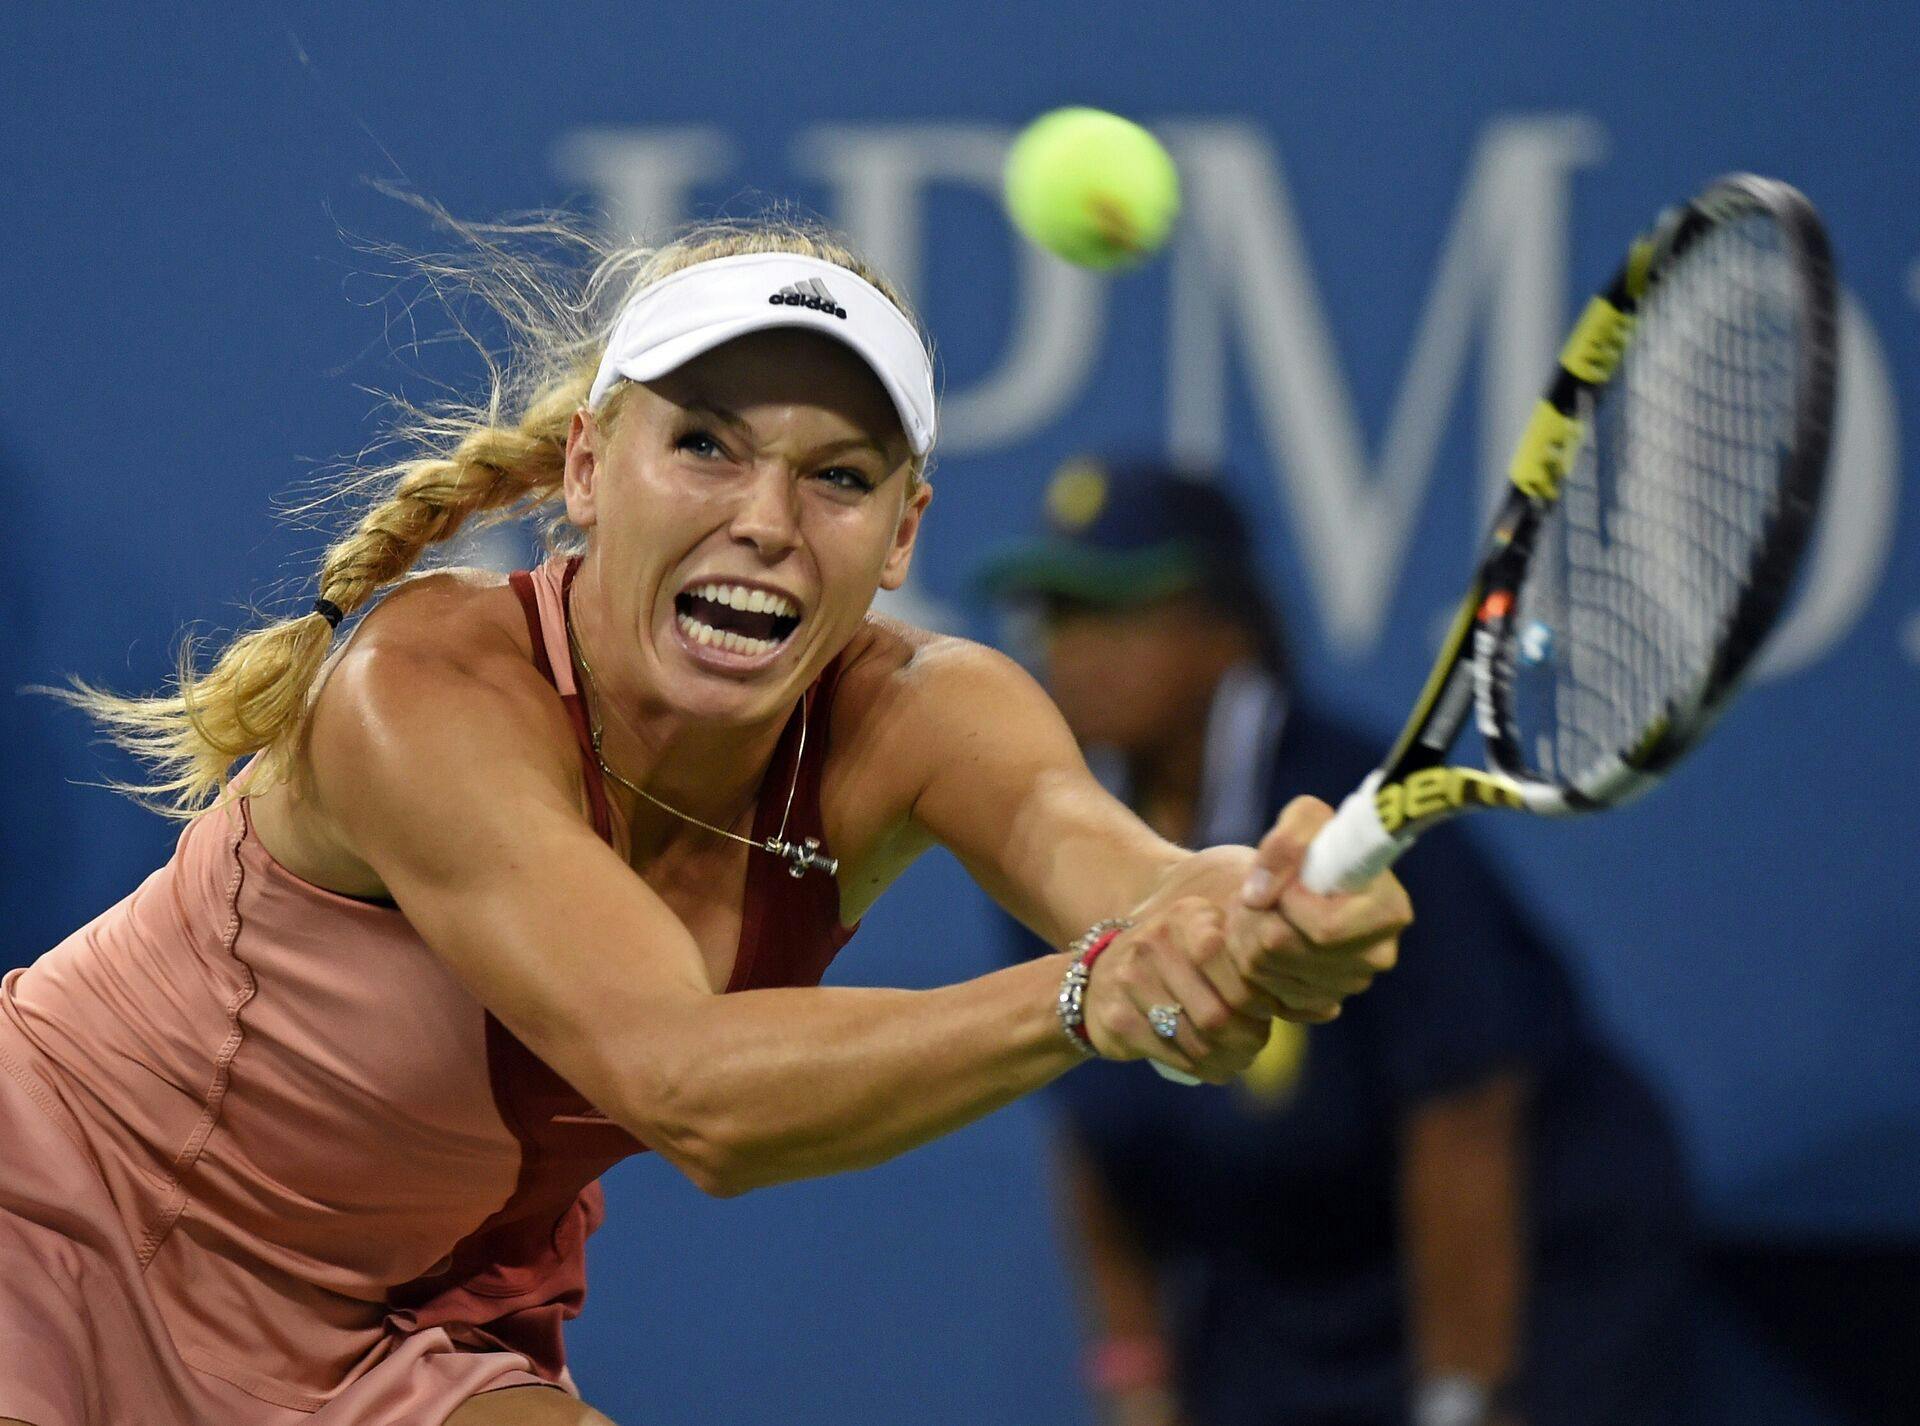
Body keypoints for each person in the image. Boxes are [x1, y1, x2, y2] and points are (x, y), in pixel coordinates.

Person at [0, 220, 1411, 1426]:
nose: (768, 520)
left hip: (384, 1326)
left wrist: (1247, 912)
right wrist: (1098, 988)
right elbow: (692, 1087)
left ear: (904, 533)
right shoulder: (419, 691)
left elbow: (1117, 869)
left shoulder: (928, 711)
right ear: (588, 470)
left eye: (839, 476)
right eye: (708, 449)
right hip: (50, 1220)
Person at [978, 458, 1696, 1426]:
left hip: (1533, 1259)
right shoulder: (1047, 839)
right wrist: (1138, 1376)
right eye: (1057, 616)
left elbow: (1466, 1115)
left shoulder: (1344, 808)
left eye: (1119, 611)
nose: (1075, 649)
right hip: (1289, 1284)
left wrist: (1461, 1398)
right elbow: (1091, 1131)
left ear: (1223, 632)